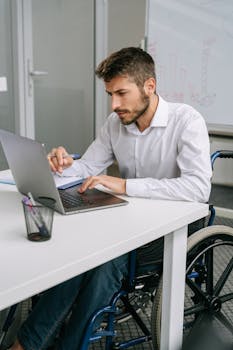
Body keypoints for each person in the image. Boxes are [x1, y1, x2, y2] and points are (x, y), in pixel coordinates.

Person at [9, 47, 212, 350]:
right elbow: (90, 166)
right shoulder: (116, 123)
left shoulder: (186, 121)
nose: (114, 104)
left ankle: (62, 345)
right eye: (110, 94)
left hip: (174, 230)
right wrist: (62, 165)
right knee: (80, 249)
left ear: (149, 87)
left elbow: (198, 189)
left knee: (104, 259)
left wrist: (124, 185)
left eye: (121, 93)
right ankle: (27, 344)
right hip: (128, 220)